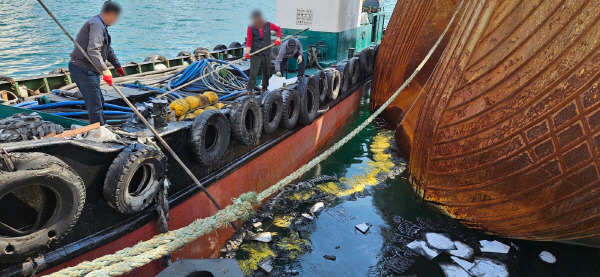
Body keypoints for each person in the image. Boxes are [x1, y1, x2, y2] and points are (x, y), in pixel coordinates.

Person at [68, 1, 126, 126]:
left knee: (99, 100)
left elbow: (107, 49)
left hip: (91, 69)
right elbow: (93, 50)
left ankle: (102, 126)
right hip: (82, 69)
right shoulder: (96, 25)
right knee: (95, 104)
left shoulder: (102, 25)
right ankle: (99, 132)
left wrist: (117, 65)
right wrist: (105, 70)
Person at [245, 10, 281, 96]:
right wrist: (247, 53)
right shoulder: (251, 28)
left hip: (266, 53)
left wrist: (278, 38)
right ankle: (250, 90)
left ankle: (264, 87)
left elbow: (278, 29)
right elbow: (249, 42)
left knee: (266, 71)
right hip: (255, 54)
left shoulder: (268, 25)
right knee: (253, 73)